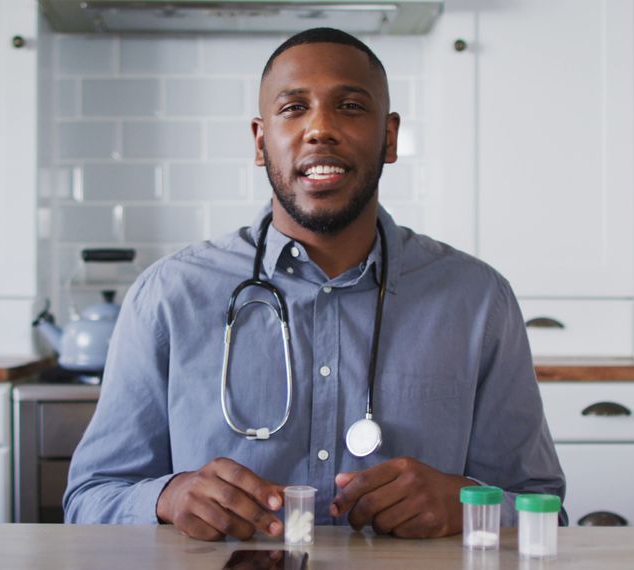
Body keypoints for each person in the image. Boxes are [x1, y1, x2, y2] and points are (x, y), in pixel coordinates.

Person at [64, 27, 565, 541]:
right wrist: (167, 497)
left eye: (350, 107)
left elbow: (544, 506)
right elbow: (89, 498)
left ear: (389, 138)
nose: (320, 129)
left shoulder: (479, 300)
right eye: (293, 108)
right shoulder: (168, 296)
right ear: (261, 142)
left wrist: (466, 504)